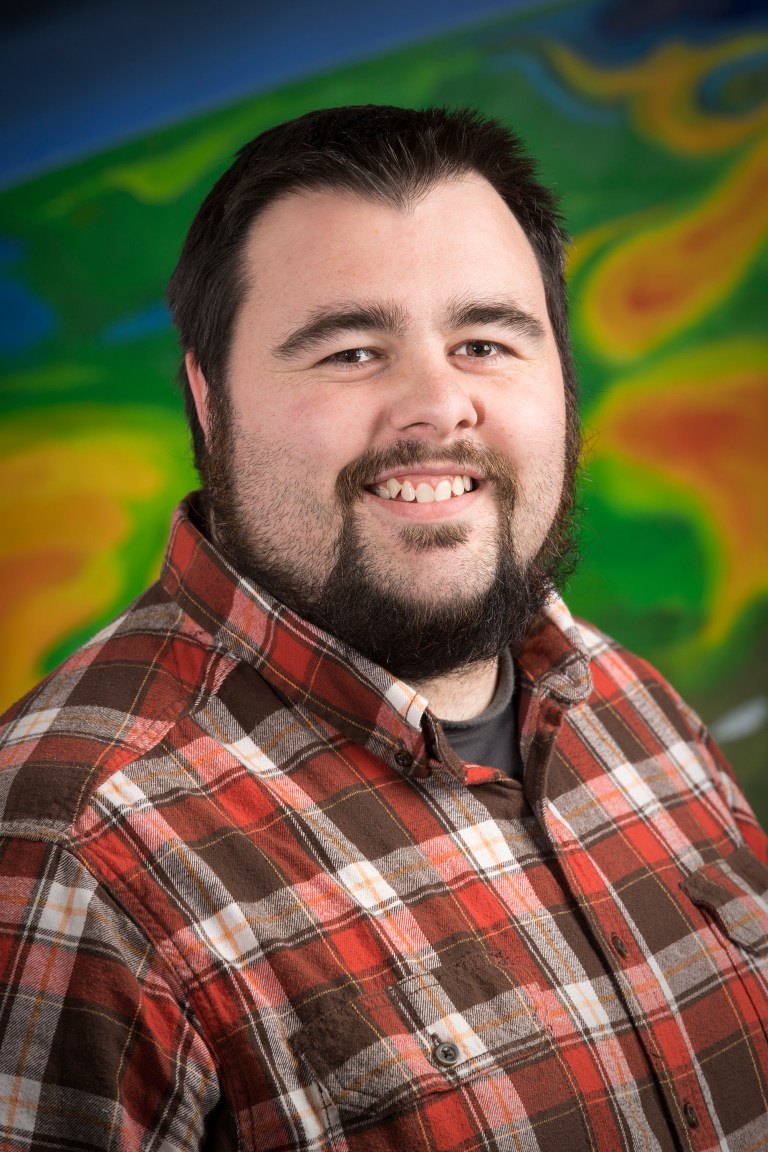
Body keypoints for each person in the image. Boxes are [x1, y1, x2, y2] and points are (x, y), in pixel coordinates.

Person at [0, 105, 766, 1152]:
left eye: (486, 341)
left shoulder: (633, 702)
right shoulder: (69, 847)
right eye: (353, 351)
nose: (438, 404)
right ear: (207, 398)